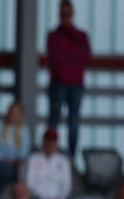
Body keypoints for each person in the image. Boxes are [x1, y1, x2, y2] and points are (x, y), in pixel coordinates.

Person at [46, 0, 91, 159]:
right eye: (63, 14)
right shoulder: (53, 35)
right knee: (54, 120)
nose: (66, 17)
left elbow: (85, 55)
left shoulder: (80, 35)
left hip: (76, 84)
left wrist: (66, 55)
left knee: (73, 122)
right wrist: (73, 56)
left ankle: (71, 157)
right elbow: (55, 57)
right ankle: (50, 153)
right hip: (58, 82)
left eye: (68, 13)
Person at [22, 128, 81, 199]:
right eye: (48, 141)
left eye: (53, 142)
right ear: (43, 142)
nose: (50, 144)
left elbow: (67, 185)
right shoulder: (33, 159)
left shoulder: (63, 160)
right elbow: (28, 183)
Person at [0, 101, 32, 192]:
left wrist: (16, 162)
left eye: (16, 113)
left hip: (16, 163)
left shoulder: (24, 130)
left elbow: (25, 152)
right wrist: (5, 159)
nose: (13, 115)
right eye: (11, 112)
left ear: (21, 115)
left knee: (27, 171)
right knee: (6, 171)